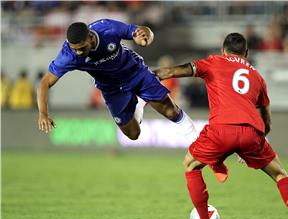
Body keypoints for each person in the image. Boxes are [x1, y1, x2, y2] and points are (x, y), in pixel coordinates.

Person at [155, 33, 288, 219]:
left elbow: (170, 72)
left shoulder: (213, 62)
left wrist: (144, 76)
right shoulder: (257, 76)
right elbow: (266, 118)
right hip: (251, 132)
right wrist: (251, 142)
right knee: (280, 174)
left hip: (220, 130)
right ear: (246, 53)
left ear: (223, 50)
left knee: (191, 165)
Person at [37, 19, 198, 146]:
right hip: (111, 89)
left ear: (91, 38)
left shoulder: (107, 28)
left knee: (171, 112)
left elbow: (143, 31)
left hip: (134, 72)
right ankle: (140, 102)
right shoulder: (69, 56)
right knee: (133, 134)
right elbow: (45, 83)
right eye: (74, 49)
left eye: (81, 48)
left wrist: (146, 37)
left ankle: (197, 141)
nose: (78, 52)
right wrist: (43, 114)